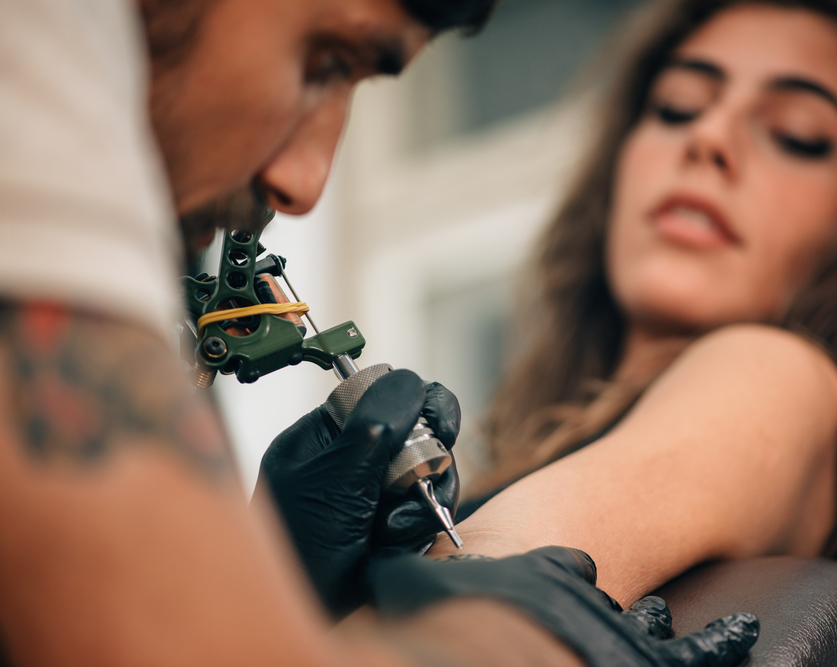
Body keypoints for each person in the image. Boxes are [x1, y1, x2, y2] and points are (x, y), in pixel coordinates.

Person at [0, 0, 759, 665]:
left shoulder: (768, 375)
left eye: (797, 136)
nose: (305, 184)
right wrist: (501, 640)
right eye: (326, 63)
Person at [412, 0, 837, 606]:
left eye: (796, 136)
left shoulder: (775, 372)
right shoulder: (539, 438)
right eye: (677, 107)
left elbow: (474, 605)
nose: (707, 137)